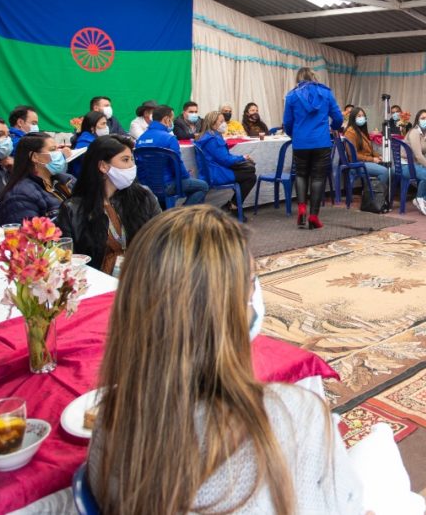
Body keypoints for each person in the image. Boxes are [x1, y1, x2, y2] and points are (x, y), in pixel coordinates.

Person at [87, 205, 363, 513]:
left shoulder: (110, 420)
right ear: (229, 306)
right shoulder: (296, 415)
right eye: (249, 284)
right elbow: (345, 505)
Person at [58, 135, 161, 275]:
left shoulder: (142, 196)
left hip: (141, 275)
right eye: (125, 160)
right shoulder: (74, 209)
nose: (132, 166)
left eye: (132, 159)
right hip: (97, 280)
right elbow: (68, 259)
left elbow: (161, 238)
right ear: (103, 166)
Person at [283, 67, 343, 229]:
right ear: (314, 77)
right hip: (321, 142)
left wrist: (293, 134)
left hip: (300, 143)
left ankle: (302, 208)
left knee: (301, 175)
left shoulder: (291, 96)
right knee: (318, 178)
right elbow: (338, 117)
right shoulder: (326, 93)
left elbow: (287, 123)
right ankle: (314, 216)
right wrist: (334, 127)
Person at [136, 105, 209, 206]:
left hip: (147, 186)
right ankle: (180, 215)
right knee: (203, 186)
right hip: (167, 185)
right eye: (172, 119)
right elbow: (177, 165)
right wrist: (186, 176)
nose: (172, 122)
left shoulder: (141, 139)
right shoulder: (169, 139)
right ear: (166, 119)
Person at [0, 133, 74, 225]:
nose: (60, 153)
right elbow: (30, 235)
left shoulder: (67, 180)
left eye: (58, 148)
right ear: (35, 157)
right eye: (53, 150)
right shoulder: (20, 195)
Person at [196, 110, 257, 220]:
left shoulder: (208, 136)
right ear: (213, 123)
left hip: (213, 170)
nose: (224, 124)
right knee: (251, 176)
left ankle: (233, 204)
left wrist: (240, 158)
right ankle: (234, 205)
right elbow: (225, 160)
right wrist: (243, 157)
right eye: (221, 121)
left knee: (249, 172)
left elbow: (223, 157)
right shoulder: (212, 139)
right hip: (216, 173)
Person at [343, 106, 390, 209]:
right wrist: (372, 159)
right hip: (357, 164)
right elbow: (353, 154)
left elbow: (370, 150)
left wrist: (379, 156)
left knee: (391, 169)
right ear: (353, 118)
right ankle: (375, 199)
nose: (362, 118)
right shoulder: (350, 132)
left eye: (363, 116)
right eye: (359, 116)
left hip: (364, 162)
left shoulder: (360, 131)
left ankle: (373, 194)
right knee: (384, 171)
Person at [405, 109, 426, 215]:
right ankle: (419, 198)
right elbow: (418, 155)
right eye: (422, 118)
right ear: (417, 120)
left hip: (415, 164)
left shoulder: (425, 134)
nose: (425, 120)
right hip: (405, 164)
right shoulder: (414, 132)